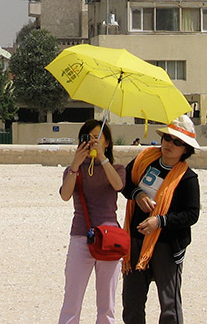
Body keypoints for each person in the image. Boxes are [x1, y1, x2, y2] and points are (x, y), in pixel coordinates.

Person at [121, 114, 201, 324]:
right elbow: (124, 182)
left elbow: (191, 214)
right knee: (132, 300)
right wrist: (138, 194)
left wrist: (160, 221)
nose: (170, 144)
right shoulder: (144, 160)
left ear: (186, 149)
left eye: (177, 142)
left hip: (167, 244)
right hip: (136, 240)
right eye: (167, 138)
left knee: (169, 304)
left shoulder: (188, 178)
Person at [58, 119, 125, 324]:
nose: (92, 142)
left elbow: (118, 185)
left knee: (107, 305)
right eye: (88, 138)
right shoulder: (73, 170)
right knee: (72, 300)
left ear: (107, 143)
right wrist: (75, 165)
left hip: (109, 237)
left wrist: (102, 158)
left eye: (97, 137)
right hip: (81, 236)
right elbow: (65, 195)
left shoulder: (116, 168)